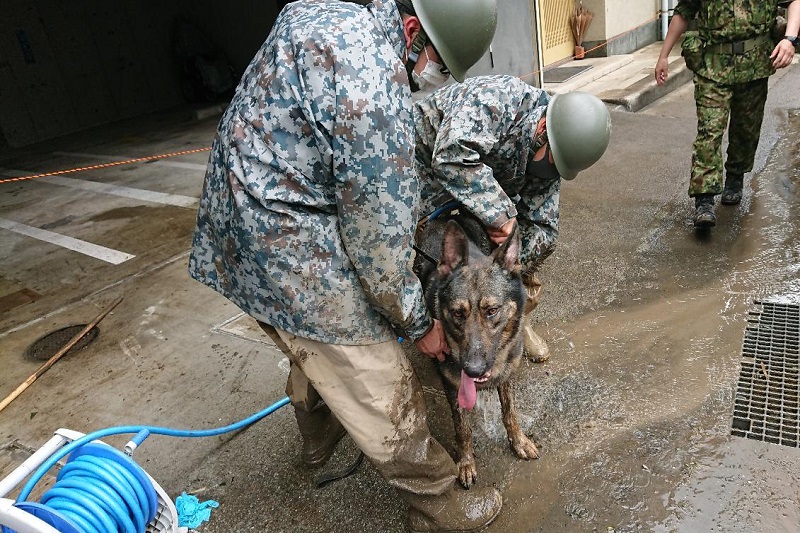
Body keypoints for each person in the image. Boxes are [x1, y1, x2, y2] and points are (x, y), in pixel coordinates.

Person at [188, 0, 502, 531]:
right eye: (440, 66)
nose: (434, 80)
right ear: (411, 30)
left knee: (306, 343)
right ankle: (440, 505)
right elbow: (378, 244)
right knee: (375, 375)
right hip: (289, 244)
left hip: (232, 229)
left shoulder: (322, 13)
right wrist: (418, 323)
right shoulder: (374, 86)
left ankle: (319, 443)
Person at [413, 75, 611, 363]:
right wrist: (500, 215)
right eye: (553, 161)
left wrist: (502, 273)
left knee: (524, 245)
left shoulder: (551, 154)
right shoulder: (494, 99)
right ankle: (420, 324)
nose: (550, 171)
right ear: (542, 129)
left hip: (478, 186)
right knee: (407, 255)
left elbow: (544, 227)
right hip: (422, 174)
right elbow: (451, 156)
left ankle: (510, 321)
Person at [655, 0, 800, 228]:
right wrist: (663, 56)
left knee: (746, 128)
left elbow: (793, 1)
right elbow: (683, 12)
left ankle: (735, 175)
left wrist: (790, 39)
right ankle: (704, 199)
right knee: (709, 130)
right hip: (712, 66)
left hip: (754, 66)